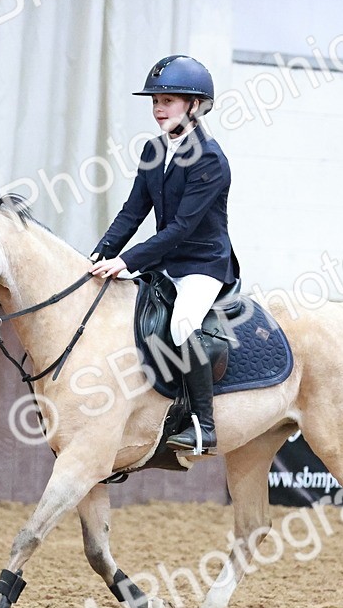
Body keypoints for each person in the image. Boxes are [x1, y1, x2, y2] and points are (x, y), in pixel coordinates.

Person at [89, 54, 236, 457]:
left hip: (202, 264)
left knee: (183, 325)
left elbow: (181, 228)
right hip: (165, 260)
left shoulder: (210, 158)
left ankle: (204, 426)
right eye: (155, 101)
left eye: (168, 101)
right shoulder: (154, 149)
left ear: (195, 105)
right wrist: (99, 254)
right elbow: (132, 212)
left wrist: (127, 261)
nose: (158, 108)